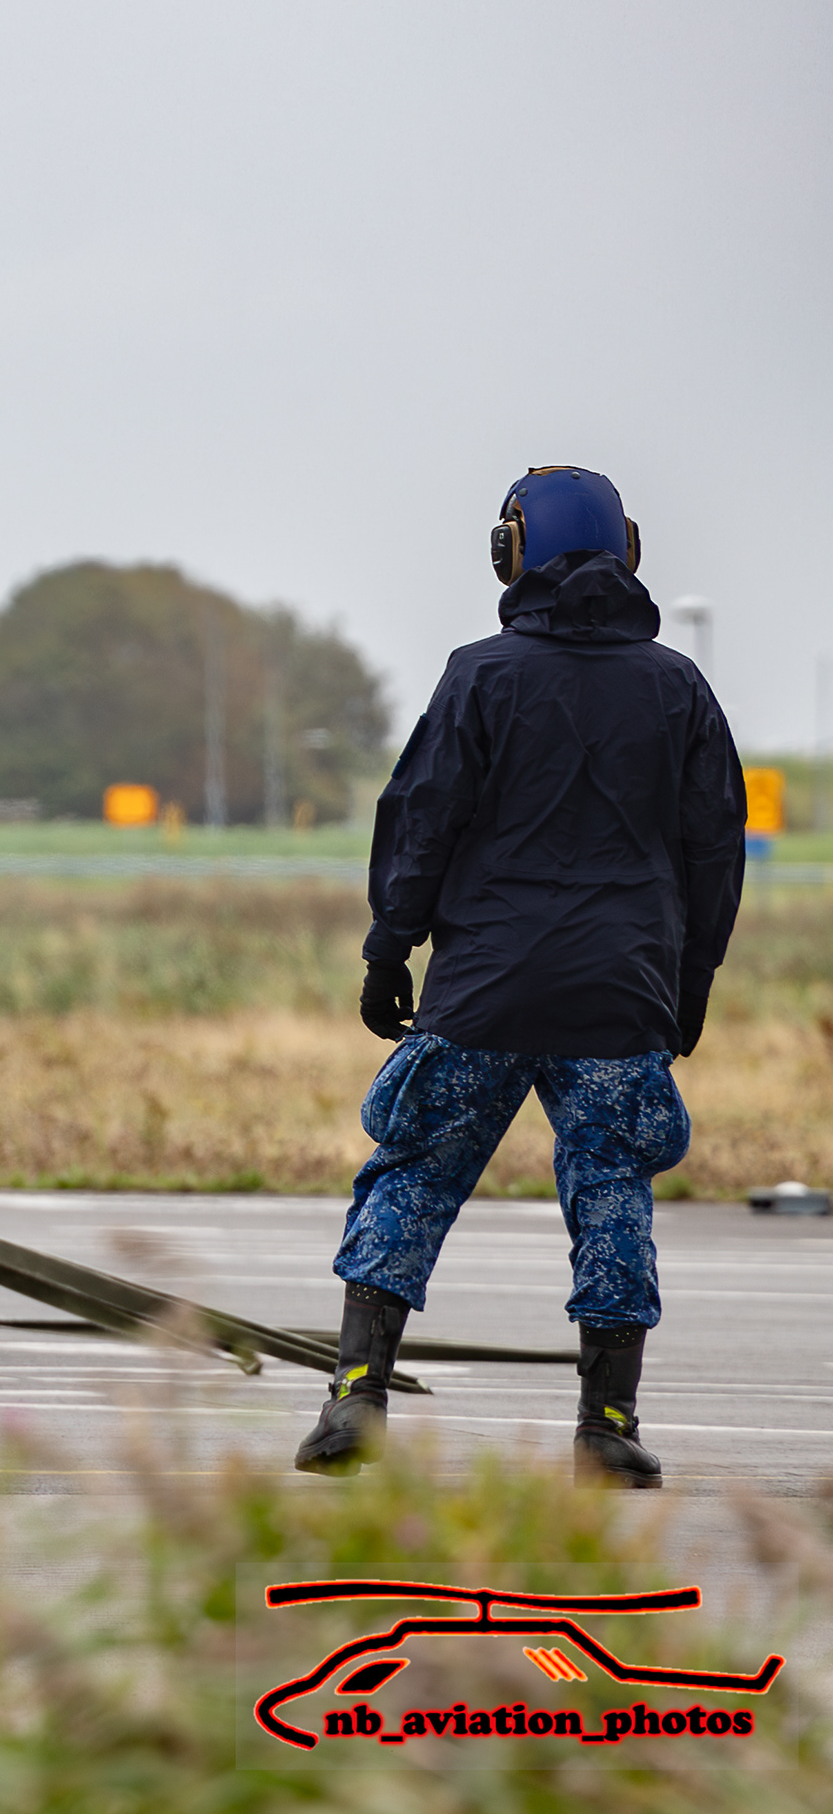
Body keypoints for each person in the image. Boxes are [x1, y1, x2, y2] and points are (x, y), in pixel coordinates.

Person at [294, 467, 741, 1487]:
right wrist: (695, 975)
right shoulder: (677, 687)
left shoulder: (479, 675)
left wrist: (387, 945)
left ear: (515, 551)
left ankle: (356, 1398)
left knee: (412, 1174)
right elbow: (715, 844)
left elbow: (423, 817)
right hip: (620, 993)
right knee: (614, 1192)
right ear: (626, 549)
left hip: (484, 986)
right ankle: (609, 1424)